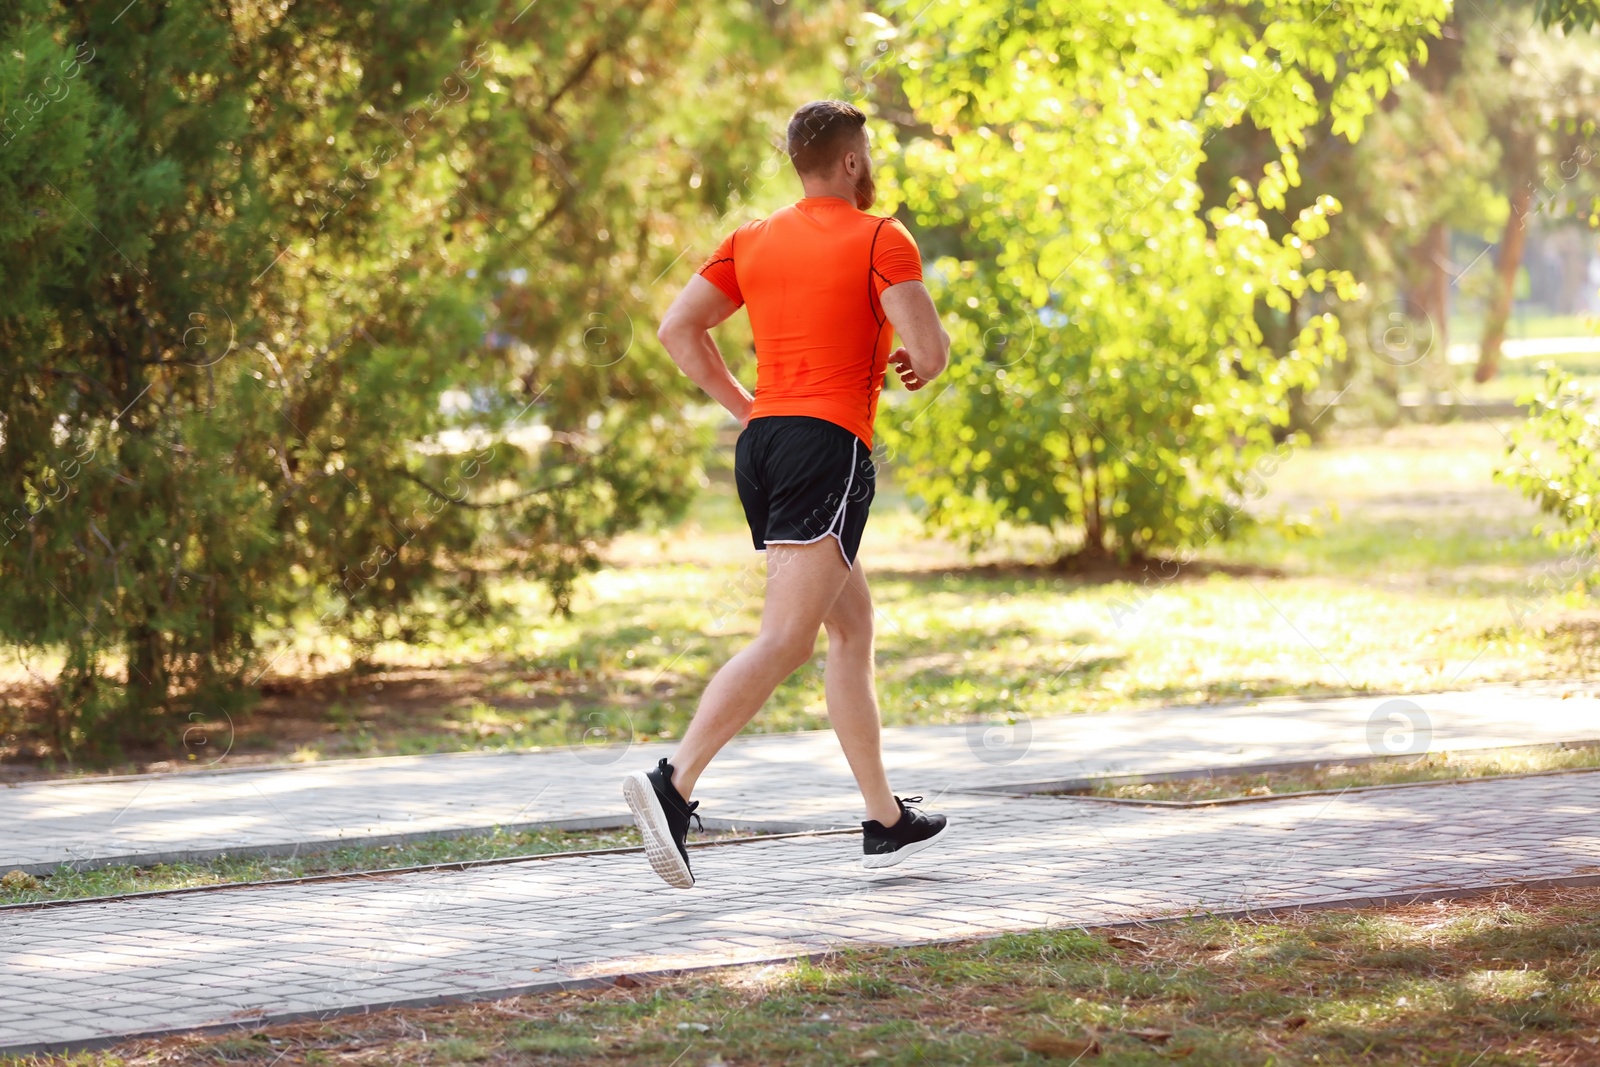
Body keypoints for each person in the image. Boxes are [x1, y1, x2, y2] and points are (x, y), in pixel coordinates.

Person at [622, 100, 953, 889]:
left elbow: (678, 329)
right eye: (864, 153)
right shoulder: (883, 237)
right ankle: (672, 784)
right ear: (849, 162)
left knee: (853, 625)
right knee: (786, 639)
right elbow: (931, 350)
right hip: (826, 446)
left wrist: (746, 405)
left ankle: (883, 816)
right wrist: (921, 361)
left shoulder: (751, 239)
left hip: (765, 444)